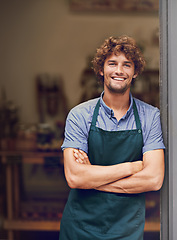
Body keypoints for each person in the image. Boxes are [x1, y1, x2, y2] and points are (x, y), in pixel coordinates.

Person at [59, 35, 165, 240]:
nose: (119, 70)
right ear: (101, 69)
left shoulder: (150, 117)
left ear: (135, 73)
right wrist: (131, 167)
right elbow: (74, 177)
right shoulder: (80, 115)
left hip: (126, 228)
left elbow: (153, 179)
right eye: (112, 63)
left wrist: (92, 179)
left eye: (127, 65)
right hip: (80, 227)